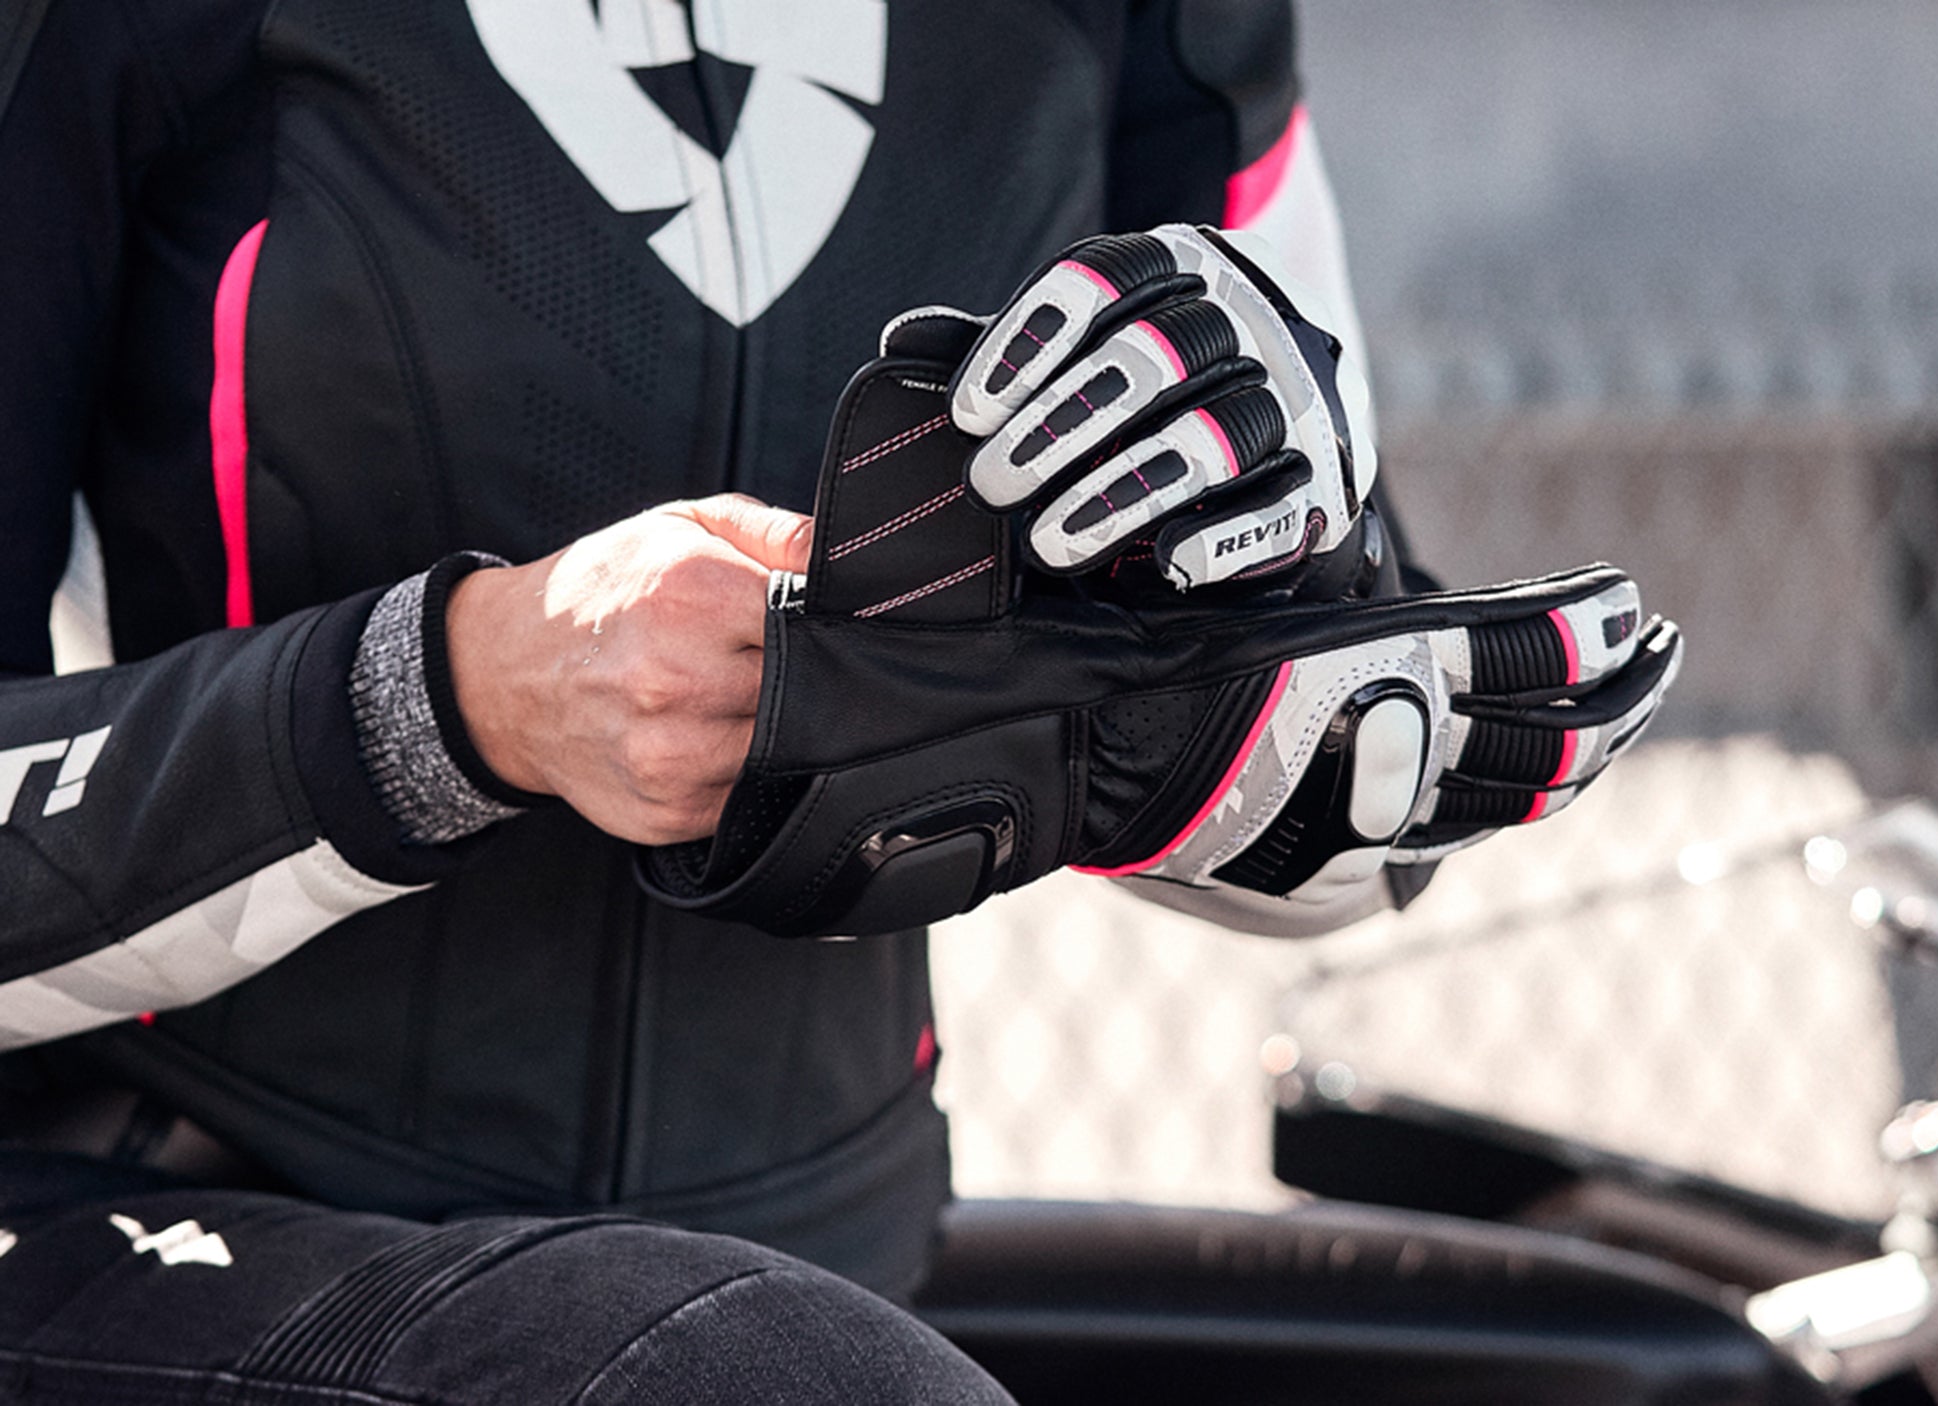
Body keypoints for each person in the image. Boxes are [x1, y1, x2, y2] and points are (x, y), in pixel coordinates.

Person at [0, 0, 1675, 1399]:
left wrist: (1152, 729)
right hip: (168, 1226)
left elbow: (1373, 813)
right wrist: (458, 698)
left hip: (842, 1267)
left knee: (1625, 1357)